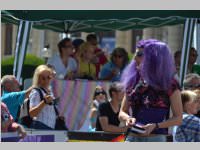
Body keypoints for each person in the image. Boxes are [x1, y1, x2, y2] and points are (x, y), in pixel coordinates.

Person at [119, 40, 183, 142]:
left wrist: (156, 126)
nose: (135, 58)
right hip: (131, 138)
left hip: (155, 139)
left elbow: (178, 118)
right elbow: (122, 112)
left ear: (154, 58)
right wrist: (127, 119)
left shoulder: (170, 84)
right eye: (136, 54)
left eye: (139, 54)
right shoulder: (133, 80)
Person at [29, 65, 58, 130]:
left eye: (48, 77)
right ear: (38, 79)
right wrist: (44, 102)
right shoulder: (36, 92)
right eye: (43, 78)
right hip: (40, 126)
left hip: (49, 127)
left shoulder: (50, 91)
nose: (46, 80)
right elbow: (32, 114)